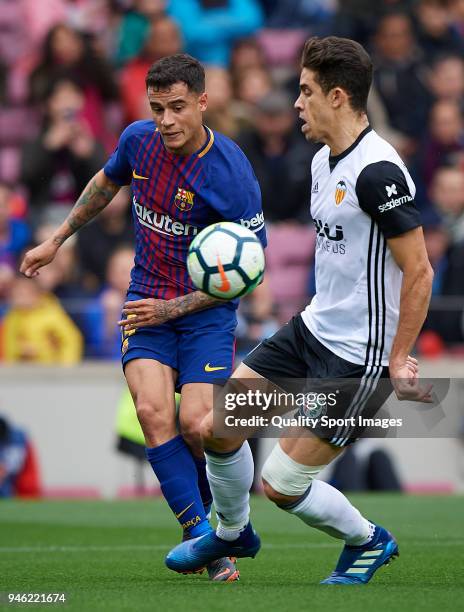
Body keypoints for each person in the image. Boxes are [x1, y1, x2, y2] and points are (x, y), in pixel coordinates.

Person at [166, 36, 434, 585]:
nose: (296, 102)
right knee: (216, 427)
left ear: (337, 96)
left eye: (306, 91)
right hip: (311, 331)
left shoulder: (378, 173)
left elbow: (421, 271)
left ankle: (368, 540)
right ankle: (233, 532)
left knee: (283, 483)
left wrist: (399, 356)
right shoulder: (319, 162)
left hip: (360, 359)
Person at [20, 53, 266, 582]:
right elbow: (104, 184)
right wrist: (57, 239)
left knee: (199, 426)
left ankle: (224, 524)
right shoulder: (138, 141)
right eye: (158, 108)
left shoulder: (232, 173)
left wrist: (175, 306)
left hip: (205, 313)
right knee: (153, 413)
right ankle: (205, 538)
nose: (167, 120)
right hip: (144, 301)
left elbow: (252, 269)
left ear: (202, 102)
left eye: (178, 107)